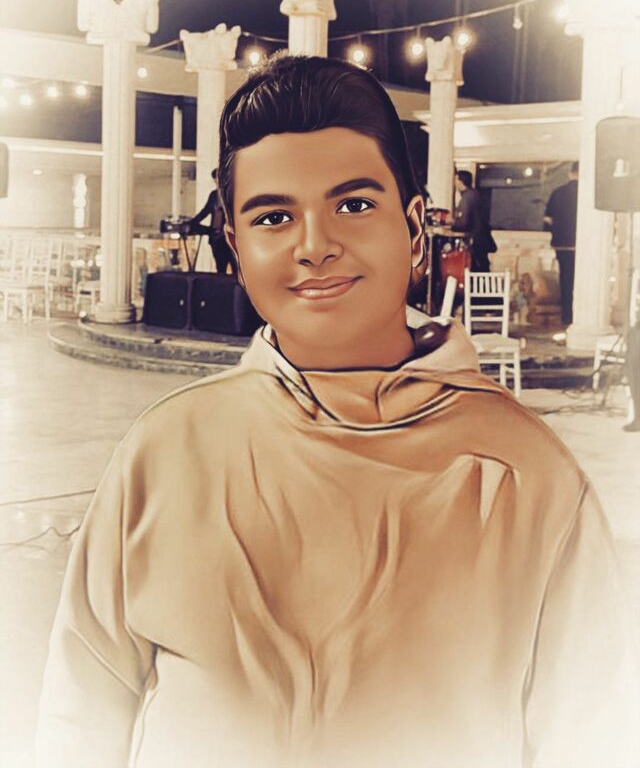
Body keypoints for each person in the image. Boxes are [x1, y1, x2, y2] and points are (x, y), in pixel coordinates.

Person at [36, 54, 638, 768]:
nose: (315, 246)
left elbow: (592, 735)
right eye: (274, 217)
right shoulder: (167, 451)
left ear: (415, 230)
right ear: (236, 249)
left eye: (353, 205)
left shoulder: (528, 476)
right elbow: (80, 712)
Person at [544, 162, 578, 326]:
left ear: (570, 173)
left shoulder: (557, 193)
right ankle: (580, 314)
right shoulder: (587, 194)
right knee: (582, 279)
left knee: (565, 278)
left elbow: (547, 220)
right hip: (582, 245)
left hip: (562, 244)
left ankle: (566, 315)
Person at [189, 168, 238, 275]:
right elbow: (205, 211)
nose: (217, 182)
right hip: (216, 236)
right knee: (220, 267)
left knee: (235, 267)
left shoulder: (233, 195)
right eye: (216, 179)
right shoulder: (213, 195)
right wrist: (192, 222)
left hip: (229, 236)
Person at [452, 169, 496, 271]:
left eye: (456, 180)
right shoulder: (476, 195)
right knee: (483, 269)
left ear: (460, 181)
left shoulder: (467, 198)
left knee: (475, 270)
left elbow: (463, 224)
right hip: (482, 241)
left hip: (475, 243)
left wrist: (452, 222)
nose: (455, 183)